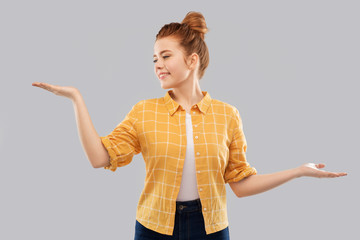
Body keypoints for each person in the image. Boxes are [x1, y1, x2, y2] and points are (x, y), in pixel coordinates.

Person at [32, 11, 347, 240]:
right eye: (154, 58)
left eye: (165, 56)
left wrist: (298, 171)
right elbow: (99, 158)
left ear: (192, 60)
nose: (157, 65)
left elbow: (240, 184)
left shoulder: (227, 115)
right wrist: (76, 98)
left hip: (210, 229)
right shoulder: (143, 112)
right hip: (154, 228)